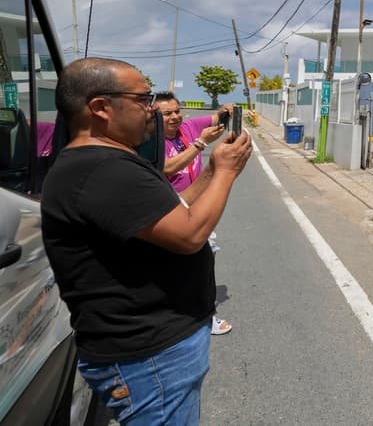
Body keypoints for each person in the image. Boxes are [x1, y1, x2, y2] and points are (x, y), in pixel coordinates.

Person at [40, 57, 252, 425]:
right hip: (149, 357)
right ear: (101, 107)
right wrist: (228, 173)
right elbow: (189, 234)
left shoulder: (113, 161)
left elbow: (177, 210)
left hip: (158, 350)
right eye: (141, 99)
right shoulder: (101, 170)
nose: (152, 109)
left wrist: (214, 171)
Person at [155, 91, 233, 335]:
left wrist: (228, 111)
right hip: (168, 210)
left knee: (203, 260)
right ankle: (190, 313)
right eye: (167, 113)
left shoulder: (188, 128)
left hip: (196, 207)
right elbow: (166, 168)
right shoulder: (151, 140)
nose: (174, 117)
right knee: (176, 264)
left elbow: (216, 118)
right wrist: (200, 144)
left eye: (177, 111)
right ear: (154, 116)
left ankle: (201, 313)